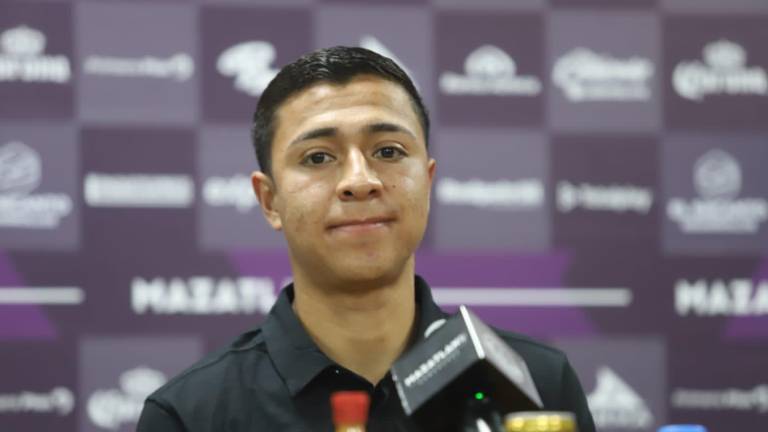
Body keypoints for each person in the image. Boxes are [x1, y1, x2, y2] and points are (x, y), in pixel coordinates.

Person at [136, 46, 596, 432]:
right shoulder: (192, 414)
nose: (359, 181)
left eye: (388, 151)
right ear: (269, 200)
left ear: (428, 182)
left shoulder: (538, 384)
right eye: (318, 158)